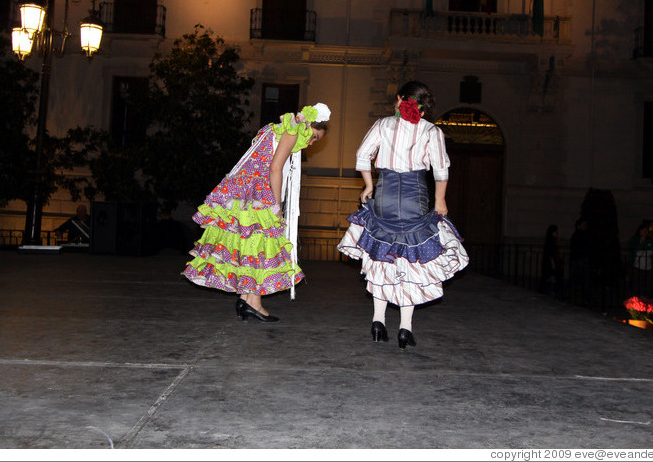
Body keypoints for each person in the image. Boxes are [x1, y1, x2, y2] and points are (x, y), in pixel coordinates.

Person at [337, 81, 469, 349]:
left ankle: (378, 321)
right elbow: (441, 170)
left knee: (382, 256)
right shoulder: (432, 130)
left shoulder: (383, 125)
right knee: (411, 260)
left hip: (385, 195)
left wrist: (369, 185)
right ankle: (405, 329)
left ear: (399, 99)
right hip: (414, 197)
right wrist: (440, 200)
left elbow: (362, 156)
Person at [183, 103, 331, 322]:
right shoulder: (292, 129)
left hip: (246, 190)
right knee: (262, 246)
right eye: (315, 136)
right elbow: (275, 168)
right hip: (257, 194)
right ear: (308, 125)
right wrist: (276, 206)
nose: (311, 142)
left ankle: (247, 299)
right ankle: (252, 301)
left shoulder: (279, 128)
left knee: (251, 245)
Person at [628, 223, 653, 297]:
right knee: (637, 284)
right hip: (638, 266)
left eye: (646, 230)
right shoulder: (635, 240)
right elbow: (634, 250)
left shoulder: (650, 241)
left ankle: (645, 300)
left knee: (647, 285)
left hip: (648, 267)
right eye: (643, 230)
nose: (645, 232)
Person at [568, 217, 592, 305]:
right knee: (578, 279)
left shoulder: (584, 235)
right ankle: (577, 296)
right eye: (583, 225)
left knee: (584, 279)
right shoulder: (578, 235)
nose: (585, 226)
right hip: (579, 259)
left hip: (582, 259)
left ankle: (583, 297)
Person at [540, 224, 564, 298]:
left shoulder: (553, 240)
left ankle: (552, 291)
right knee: (554, 277)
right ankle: (554, 292)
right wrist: (553, 262)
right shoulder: (551, 241)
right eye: (555, 231)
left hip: (551, 262)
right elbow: (550, 252)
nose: (557, 233)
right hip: (550, 263)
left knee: (550, 277)